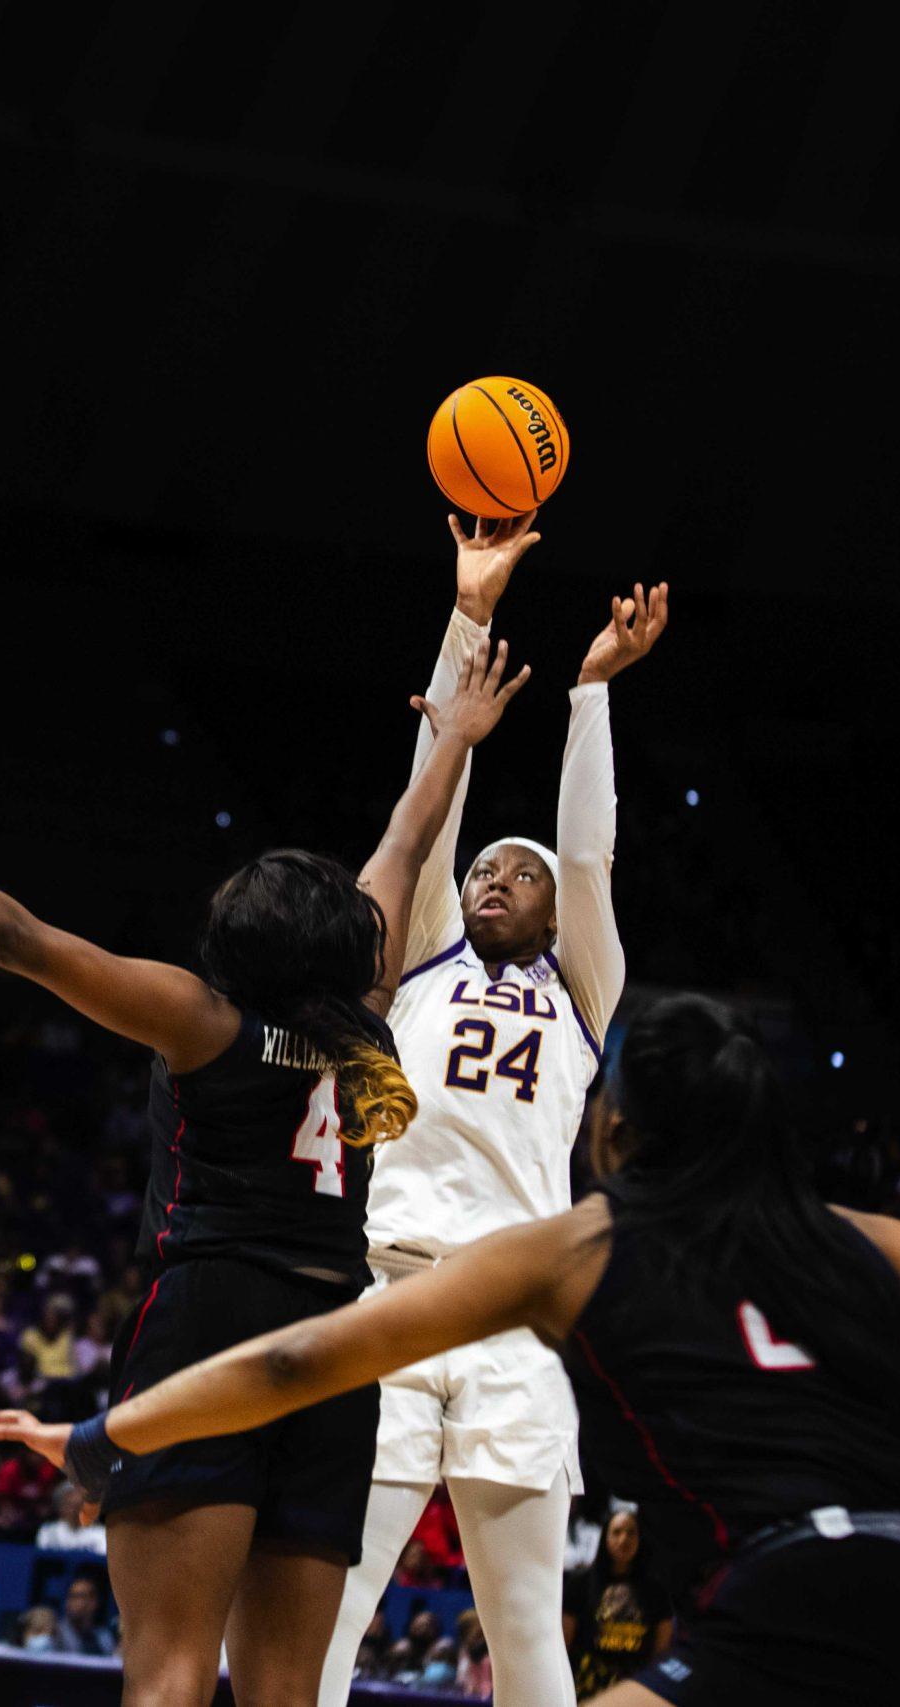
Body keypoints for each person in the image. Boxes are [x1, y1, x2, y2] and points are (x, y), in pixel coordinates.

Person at [0, 635, 526, 1707]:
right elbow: (406, 838)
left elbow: (15, 937)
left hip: (207, 1334)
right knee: (289, 1695)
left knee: (167, 1681)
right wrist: (458, 738)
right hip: (337, 1354)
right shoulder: (368, 1015)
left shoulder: (202, 1022)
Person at [0, 993, 900, 1705]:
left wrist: (108, 1430)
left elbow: (291, 1364)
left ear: (612, 1127)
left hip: (790, 1594)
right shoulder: (866, 1238)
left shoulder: (579, 1247)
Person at [325, 512, 668, 1707]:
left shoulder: (583, 990)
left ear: (551, 913)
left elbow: (590, 856)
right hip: (396, 1294)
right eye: (485, 869)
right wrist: (467, 619)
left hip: (516, 1322)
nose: (494, 878)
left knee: (525, 1631)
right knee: (338, 1604)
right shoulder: (419, 959)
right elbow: (433, 808)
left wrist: (587, 695)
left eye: (517, 875)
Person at [562, 1508, 673, 1697]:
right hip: (585, 1689)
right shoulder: (581, 1583)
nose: (624, 1540)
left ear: (640, 1539)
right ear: (605, 1537)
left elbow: (660, 1654)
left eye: (631, 1533)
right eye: (617, 1532)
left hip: (634, 1690)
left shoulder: (656, 1591)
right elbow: (563, 1645)